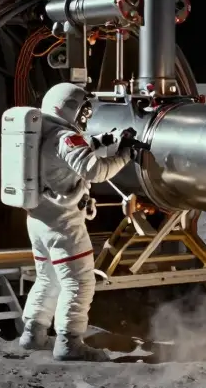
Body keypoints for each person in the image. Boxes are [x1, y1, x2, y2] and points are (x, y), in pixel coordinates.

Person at [17, 83, 136, 361]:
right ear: (69, 109)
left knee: (48, 279)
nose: (85, 118)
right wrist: (125, 155)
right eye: (83, 111)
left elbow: (67, 155)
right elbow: (94, 170)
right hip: (63, 224)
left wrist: (104, 140)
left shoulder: (41, 133)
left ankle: (32, 335)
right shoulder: (64, 137)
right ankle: (69, 344)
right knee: (79, 282)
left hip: (38, 220)